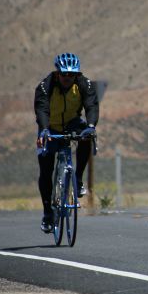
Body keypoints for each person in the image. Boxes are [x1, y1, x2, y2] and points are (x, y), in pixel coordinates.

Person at [34, 52, 99, 233]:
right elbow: (41, 108)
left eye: (72, 75)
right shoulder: (45, 86)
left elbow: (92, 105)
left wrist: (92, 125)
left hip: (72, 123)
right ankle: (48, 213)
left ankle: (77, 178)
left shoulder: (83, 84)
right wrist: (44, 129)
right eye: (64, 74)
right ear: (57, 73)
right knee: (46, 170)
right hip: (49, 127)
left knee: (86, 134)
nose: (68, 79)